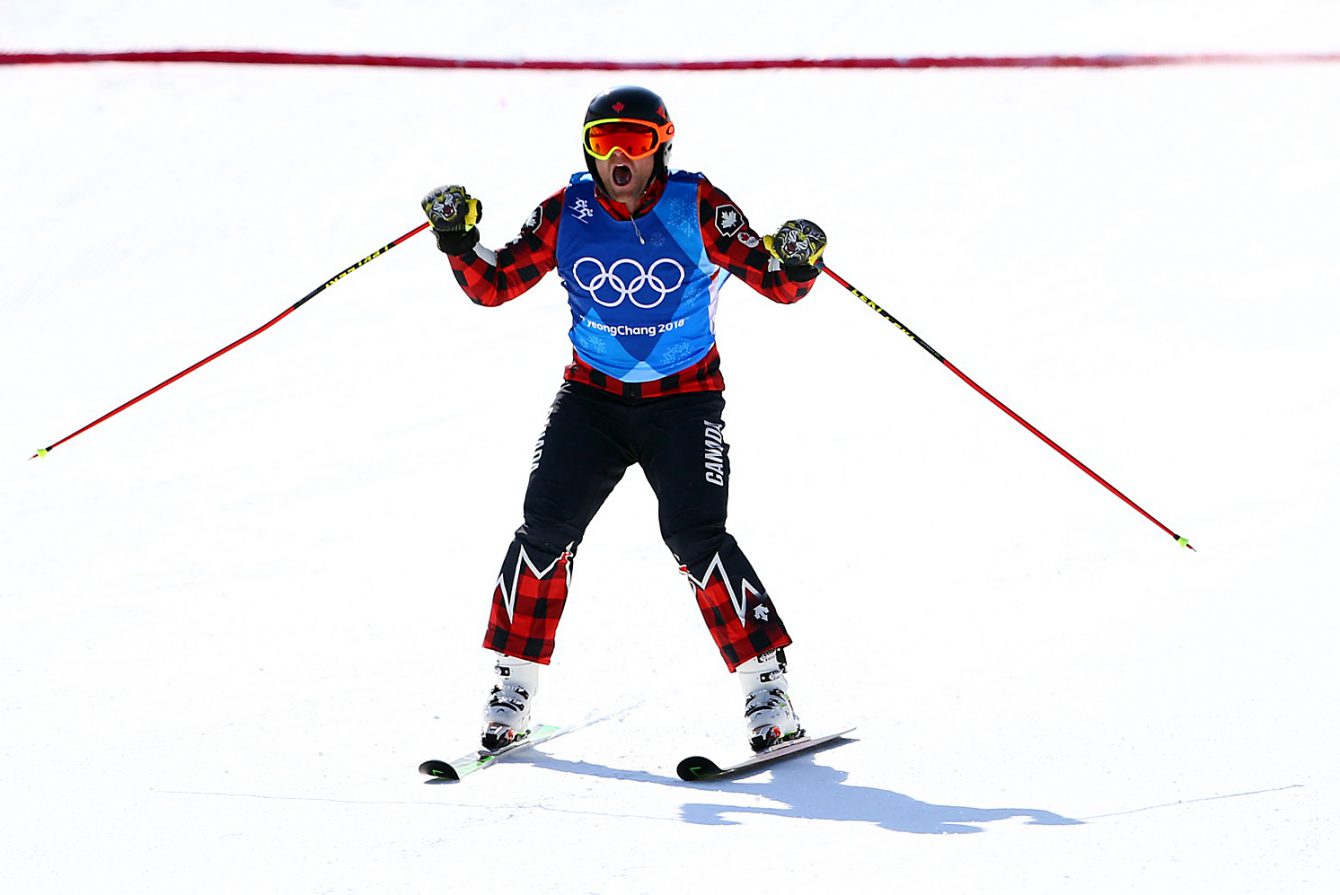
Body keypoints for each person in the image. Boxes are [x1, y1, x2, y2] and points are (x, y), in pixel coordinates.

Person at [422, 85, 828, 754]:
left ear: (661, 148)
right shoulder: (569, 210)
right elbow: (494, 284)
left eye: (635, 142)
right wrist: (457, 239)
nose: (618, 156)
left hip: (684, 400)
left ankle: (768, 688)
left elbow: (777, 282)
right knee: (546, 526)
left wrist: (800, 258)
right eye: (603, 142)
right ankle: (513, 687)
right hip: (592, 399)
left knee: (696, 534)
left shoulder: (697, 205)